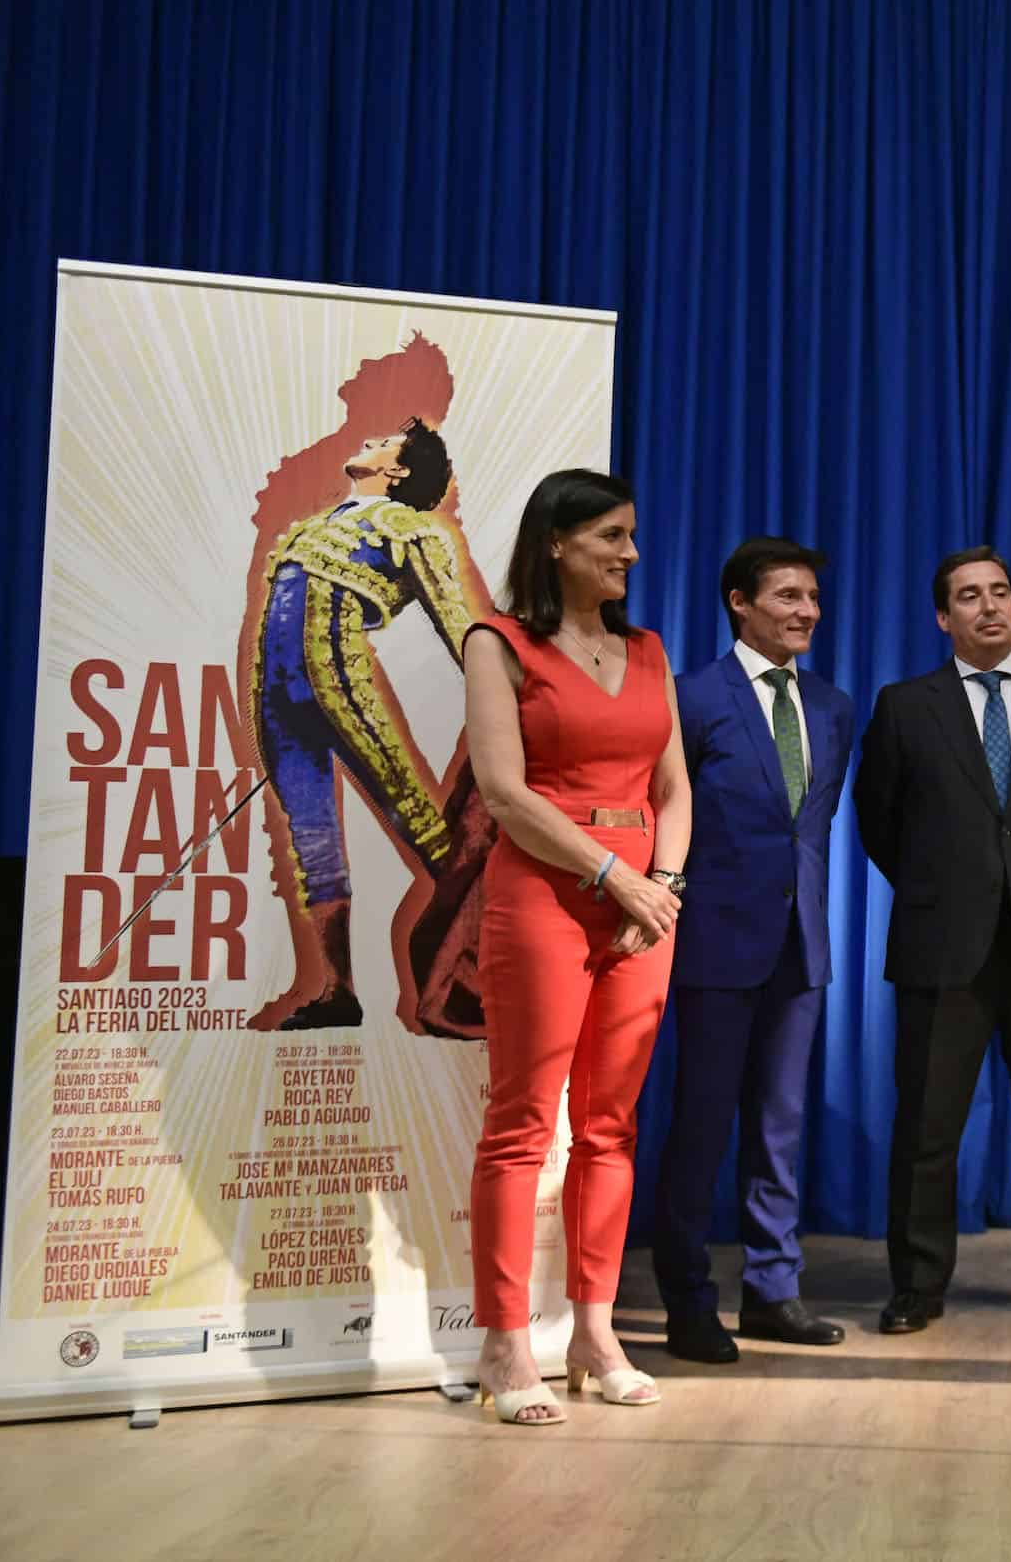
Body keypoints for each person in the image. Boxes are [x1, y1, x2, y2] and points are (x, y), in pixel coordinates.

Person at [461, 468, 688, 1425]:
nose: (630, 552)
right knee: (523, 1124)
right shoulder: (498, 642)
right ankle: (504, 1344)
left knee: (611, 1127)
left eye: (631, 534)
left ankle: (594, 1334)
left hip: (644, 907)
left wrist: (661, 885)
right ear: (556, 542)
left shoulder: (648, 648)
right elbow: (504, 792)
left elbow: (672, 787)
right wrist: (613, 876)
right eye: (611, 536)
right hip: (546, 895)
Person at [853, 546, 1011, 1336]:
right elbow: (879, 821)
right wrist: (946, 887)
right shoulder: (905, 705)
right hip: (942, 945)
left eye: (1000, 591)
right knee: (928, 1129)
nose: (989, 606)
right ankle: (917, 1285)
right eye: (969, 596)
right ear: (943, 617)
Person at [239, 331, 496, 1036]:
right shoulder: (319, 525)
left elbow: (459, 624)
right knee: (312, 837)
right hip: (277, 695)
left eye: (386, 441)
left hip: (340, 685)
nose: (372, 439)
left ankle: (470, 965)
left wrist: (507, 700)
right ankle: (338, 990)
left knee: (417, 819)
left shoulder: (415, 529)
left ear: (397, 469)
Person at [650, 538, 856, 1362]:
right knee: (700, 1126)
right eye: (787, 596)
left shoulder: (835, 707)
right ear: (740, 602)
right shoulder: (692, 697)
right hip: (713, 946)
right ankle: (687, 1299)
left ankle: (773, 1291)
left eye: (812, 597)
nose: (807, 611)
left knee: (780, 1127)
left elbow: (810, 830)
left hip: (801, 947)